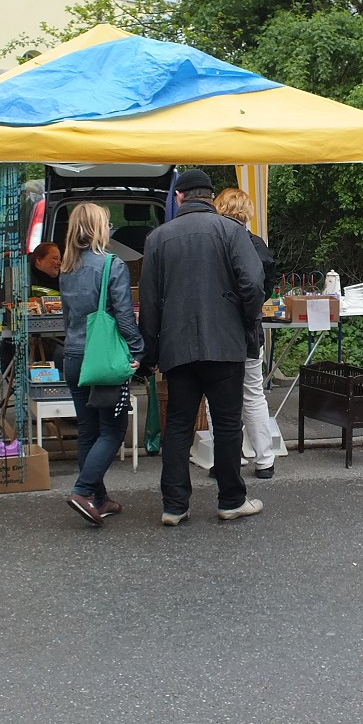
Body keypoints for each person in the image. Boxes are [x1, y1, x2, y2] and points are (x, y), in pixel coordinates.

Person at [139, 169, 266, 525]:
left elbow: (149, 303)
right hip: (225, 344)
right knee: (227, 424)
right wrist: (245, 322)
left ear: (179, 198)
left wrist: (149, 352)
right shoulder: (231, 232)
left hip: (177, 346)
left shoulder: (157, 238)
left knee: (178, 425)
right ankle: (230, 500)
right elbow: (253, 283)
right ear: (210, 197)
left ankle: (175, 505)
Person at [59, 204, 143, 526]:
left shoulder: (66, 268)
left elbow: (68, 319)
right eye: (107, 224)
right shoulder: (112, 265)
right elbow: (123, 315)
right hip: (103, 360)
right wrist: (137, 350)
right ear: (97, 228)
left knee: (87, 431)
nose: (109, 229)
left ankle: (100, 498)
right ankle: (82, 491)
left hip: (73, 356)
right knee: (113, 430)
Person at [214, 187, 278, 479]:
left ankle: (227, 458)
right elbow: (266, 286)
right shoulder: (257, 245)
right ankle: (265, 460)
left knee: (217, 396)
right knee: (253, 395)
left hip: (218, 331)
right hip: (251, 330)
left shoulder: (214, 243)